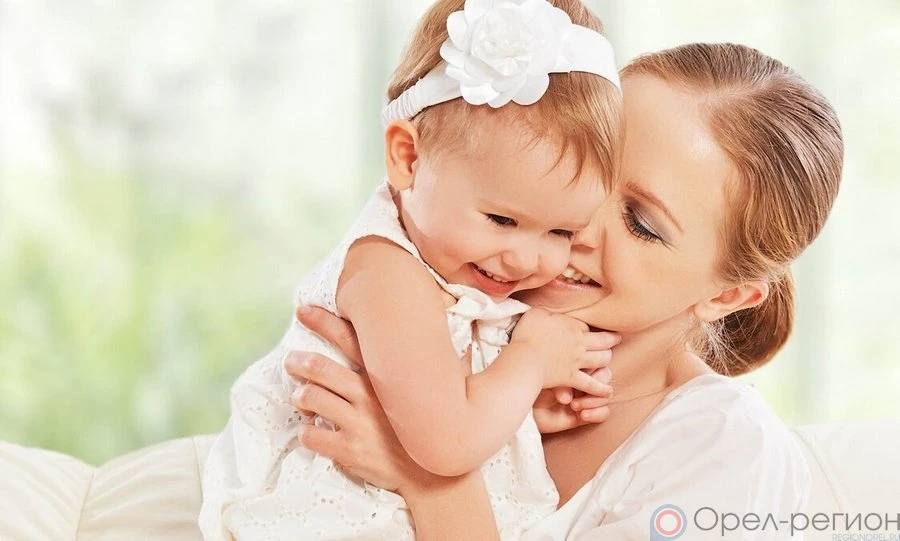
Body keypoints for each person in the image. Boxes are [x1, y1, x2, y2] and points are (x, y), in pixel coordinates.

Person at [284, 42, 844, 540]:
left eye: (641, 223)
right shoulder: (440, 312)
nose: (575, 219)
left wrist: (430, 478)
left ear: (726, 296)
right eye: (581, 170)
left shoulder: (723, 449)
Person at [200, 1, 626, 539]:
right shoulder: (387, 273)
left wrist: (518, 419)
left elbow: (433, 402)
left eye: (561, 232)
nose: (525, 259)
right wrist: (531, 360)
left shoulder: (446, 266)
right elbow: (446, 444)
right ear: (408, 158)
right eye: (501, 219)